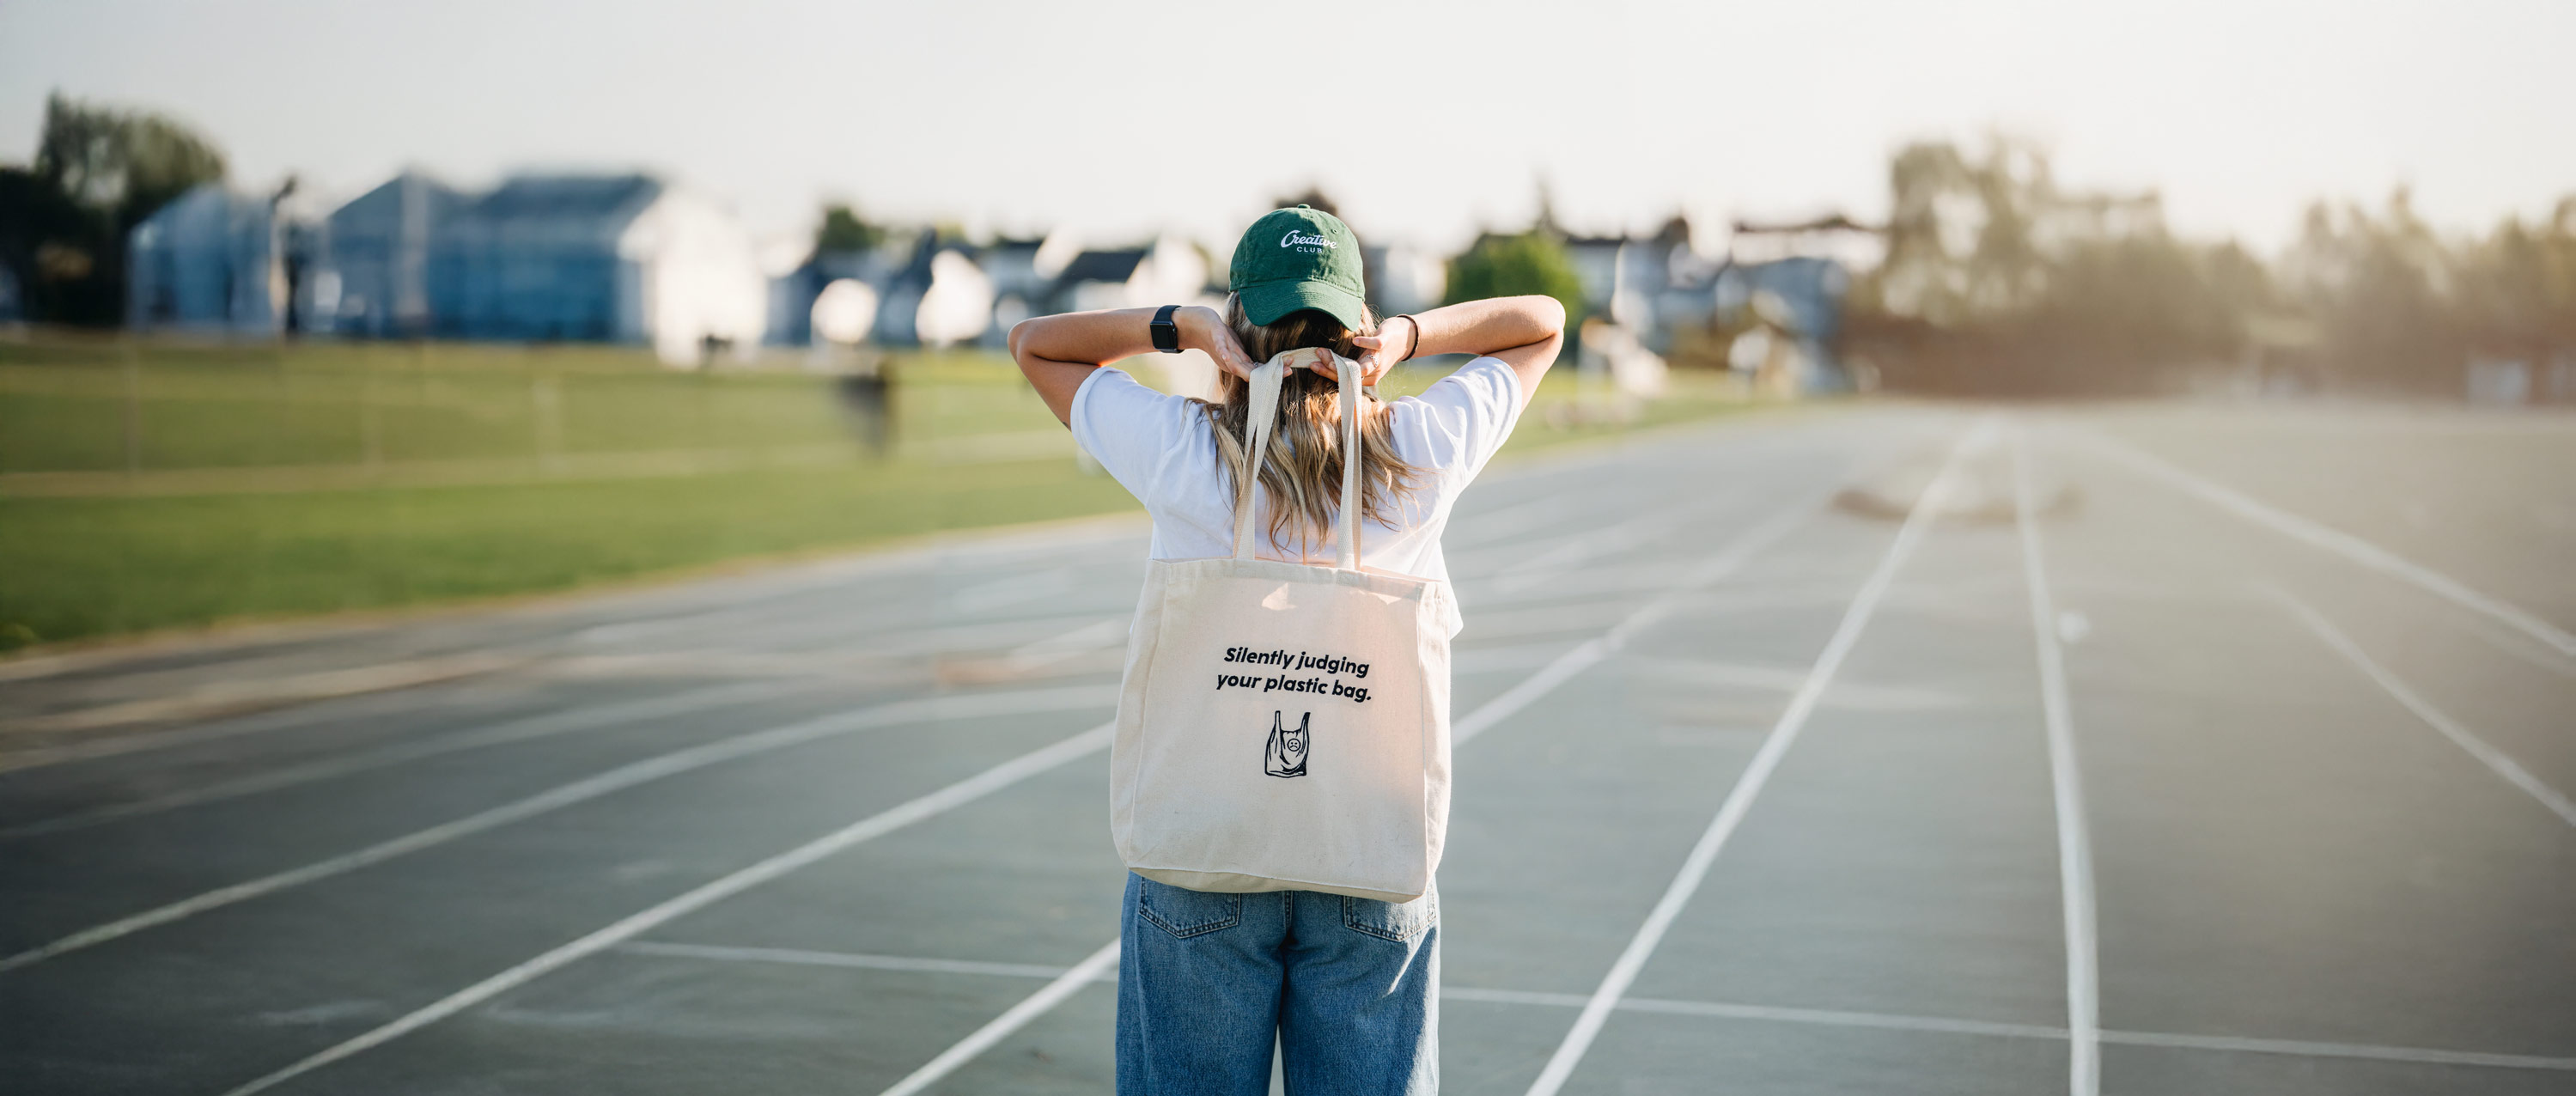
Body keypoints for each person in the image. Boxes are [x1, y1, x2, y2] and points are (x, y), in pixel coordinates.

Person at [1008, 205, 1562, 1095]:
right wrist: (1410, 338)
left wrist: (1178, 328)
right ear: (1356, 328)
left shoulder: (1180, 451)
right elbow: (1542, 324)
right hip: (1367, 849)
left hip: (1204, 837)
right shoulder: (1421, 450)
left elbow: (1036, 342)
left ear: (1238, 326)